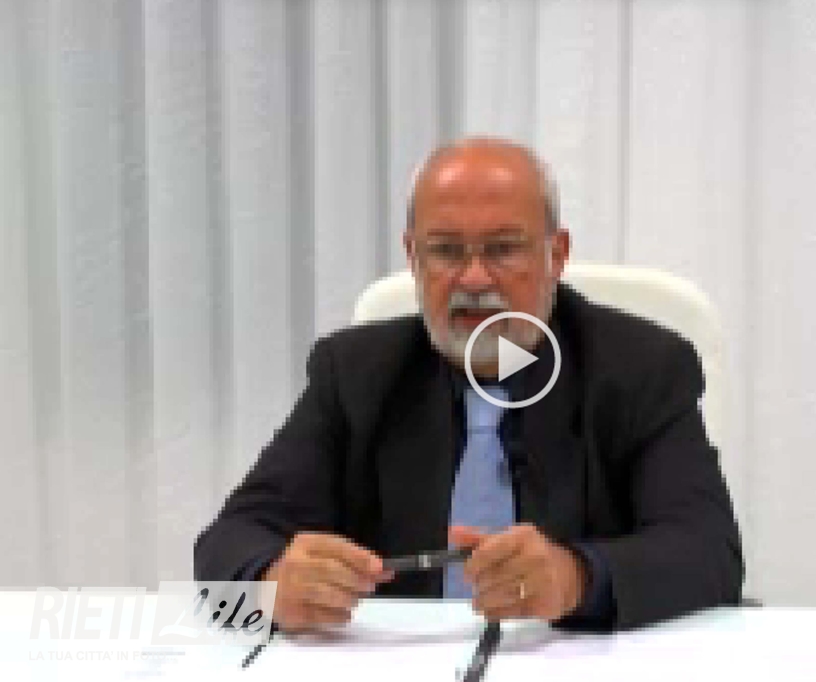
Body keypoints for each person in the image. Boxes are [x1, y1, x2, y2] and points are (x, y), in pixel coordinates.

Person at [194, 137, 743, 633]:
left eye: (503, 249)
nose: (474, 278)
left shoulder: (641, 367)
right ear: (413, 258)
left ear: (556, 255)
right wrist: (270, 587)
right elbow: (228, 542)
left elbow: (709, 552)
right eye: (446, 251)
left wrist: (576, 578)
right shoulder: (356, 374)